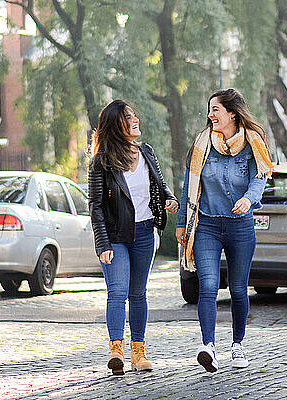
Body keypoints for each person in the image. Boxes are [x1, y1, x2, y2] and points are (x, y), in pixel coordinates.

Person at [176, 88, 274, 373]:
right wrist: (182, 222)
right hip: (206, 224)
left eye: (215, 109)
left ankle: (238, 345)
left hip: (240, 227)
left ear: (232, 113)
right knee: (207, 285)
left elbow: (260, 178)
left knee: (238, 289)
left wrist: (248, 198)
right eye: (210, 110)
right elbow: (188, 186)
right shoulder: (202, 145)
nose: (210, 115)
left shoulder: (253, 143)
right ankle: (208, 346)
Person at [88, 99, 178, 375]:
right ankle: (117, 350)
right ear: (117, 124)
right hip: (115, 236)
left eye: (134, 115)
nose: (135, 119)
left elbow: (160, 186)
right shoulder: (101, 161)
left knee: (138, 294)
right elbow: (96, 206)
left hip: (145, 232)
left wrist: (169, 199)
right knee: (117, 292)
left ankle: (139, 351)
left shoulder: (146, 152)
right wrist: (102, 243)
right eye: (128, 117)